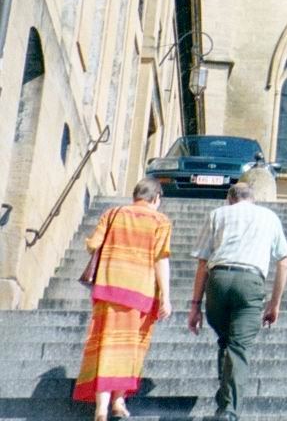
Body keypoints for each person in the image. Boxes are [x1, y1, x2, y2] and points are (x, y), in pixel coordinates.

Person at [187, 182, 287, 421]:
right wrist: (275, 303)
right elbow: (283, 262)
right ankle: (229, 411)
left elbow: (202, 262)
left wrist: (195, 306)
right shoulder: (269, 217)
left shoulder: (218, 214)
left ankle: (224, 400)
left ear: (229, 199)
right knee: (239, 347)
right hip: (251, 282)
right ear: (252, 198)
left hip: (218, 279)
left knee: (226, 341)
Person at [73, 178, 173, 421]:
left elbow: (92, 244)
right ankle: (118, 402)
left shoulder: (112, 213)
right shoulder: (160, 221)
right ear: (156, 198)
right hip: (140, 291)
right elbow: (161, 259)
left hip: (108, 288)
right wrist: (166, 297)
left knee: (105, 344)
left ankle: (100, 408)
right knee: (130, 347)